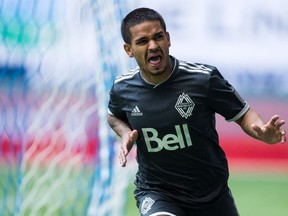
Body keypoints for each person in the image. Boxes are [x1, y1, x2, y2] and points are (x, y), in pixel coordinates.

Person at [107, 7, 286, 216]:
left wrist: (261, 132)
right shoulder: (123, 88)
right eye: (143, 41)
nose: (153, 46)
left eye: (158, 37)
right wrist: (124, 131)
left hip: (212, 194)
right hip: (157, 191)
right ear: (129, 50)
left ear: (168, 39)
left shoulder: (203, 79)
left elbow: (244, 113)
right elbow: (113, 116)